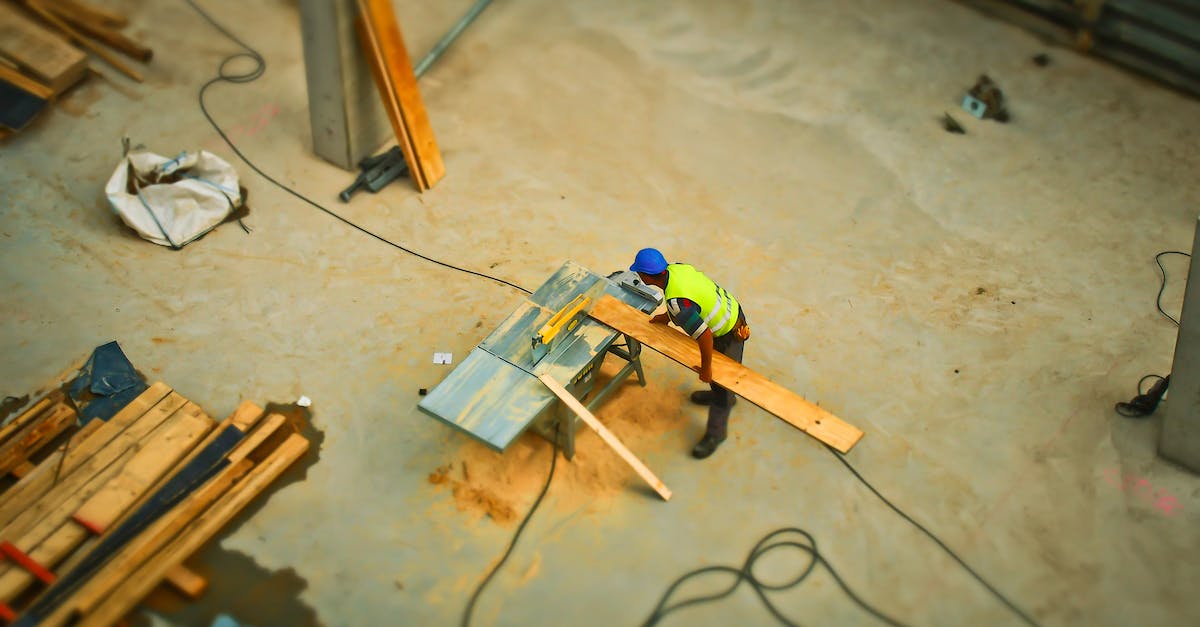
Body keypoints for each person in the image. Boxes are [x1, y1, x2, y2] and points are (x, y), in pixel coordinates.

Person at [629, 248, 751, 459]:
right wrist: (667, 318)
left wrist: (706, 368)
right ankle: (722, 395)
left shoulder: (678, 306)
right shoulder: (677, 269)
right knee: (719, 383)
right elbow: (688, 297)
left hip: (728, 332)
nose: (637, 276)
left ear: (647, 277)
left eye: (638, 273)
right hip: (732, 311)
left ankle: (716, 432)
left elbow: (705, 337)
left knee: (722, 384)